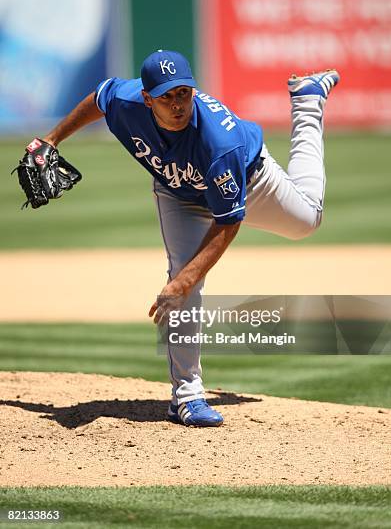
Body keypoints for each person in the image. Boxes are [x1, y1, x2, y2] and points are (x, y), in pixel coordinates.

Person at [39, 49, 339, 428]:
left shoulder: (219, 143)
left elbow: (228, 223)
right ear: (147, 99)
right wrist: (52, 139)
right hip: (178, 194)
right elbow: (100, 95)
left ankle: (308, 101)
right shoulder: (125, 101)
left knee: (306, 221)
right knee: (184, 281)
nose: (177, 103)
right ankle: (187, 397)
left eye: (184, 92)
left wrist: (182, 281)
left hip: (249, 178)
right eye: (166, 96)